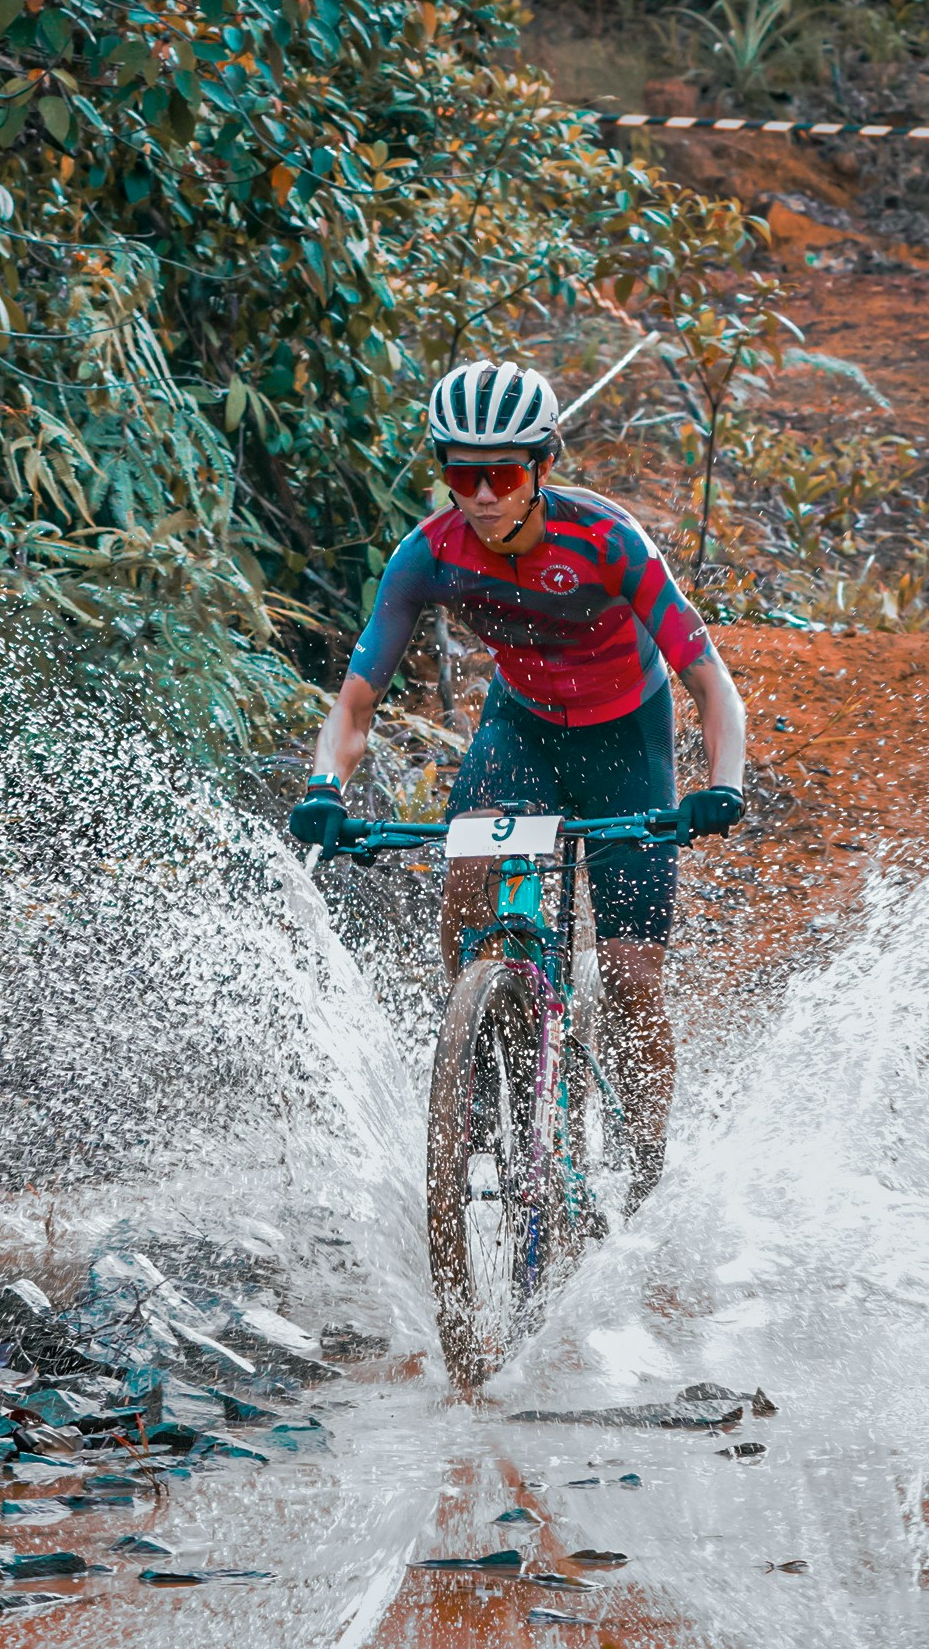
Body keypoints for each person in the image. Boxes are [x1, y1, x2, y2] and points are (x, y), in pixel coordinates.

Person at [285, 359, 750, 1202]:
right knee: (466, 893)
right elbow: (353, 708)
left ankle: (646, 1168)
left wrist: (722, 784)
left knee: (632, 977)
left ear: (542, 466)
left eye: (501, 473)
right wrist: (324, 788)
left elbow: (712, 685)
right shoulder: (428, 555)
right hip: (523, 732)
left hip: (625, 745)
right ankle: (480, 1058)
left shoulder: (609, 541)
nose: (483, 495)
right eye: (461, 474)